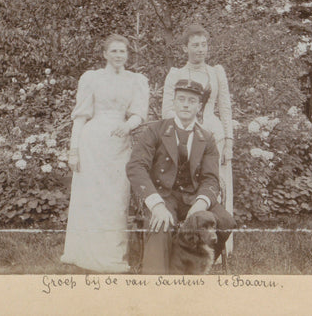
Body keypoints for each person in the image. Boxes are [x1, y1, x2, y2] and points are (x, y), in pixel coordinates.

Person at [126, 79, 236, 274]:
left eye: (192, 101)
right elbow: (136, 166)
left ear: (199, 106)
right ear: (174, 102)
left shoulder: (207, 137)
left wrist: (200, 204)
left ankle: (194, 265)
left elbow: (211, 178)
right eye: (181, 99)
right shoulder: (156, 130)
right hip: (163, 196)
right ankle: (156, 286)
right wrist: (156, 205)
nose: (186, 104)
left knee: (225, 221)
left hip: (194, 197)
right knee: (161, 225)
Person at [61, 34, 149, 273]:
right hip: (92, 143)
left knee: (116, 199)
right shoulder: (91, 78)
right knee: (92, 197)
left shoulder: (136, 80)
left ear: (127, 55)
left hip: (119, 145)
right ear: (105, 54)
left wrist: (128, 126)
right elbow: (80, 117)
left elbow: (139, 113)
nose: (119, 55)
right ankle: (85, 252)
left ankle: (112, 254)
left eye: (123, 51)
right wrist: (74, 151)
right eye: (114, 51)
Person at [162, 24, 234, 254]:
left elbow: (225, 108)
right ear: (185, 48)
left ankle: (216, 244)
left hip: (214, 134)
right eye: (195, 45)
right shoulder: (176, 74)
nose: (200, 50)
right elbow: (167, 111)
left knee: (214, 186)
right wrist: (187, 130)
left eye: (204, 44)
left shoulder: (216, 72)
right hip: (185, 136)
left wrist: (229, 141)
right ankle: (187, 243)